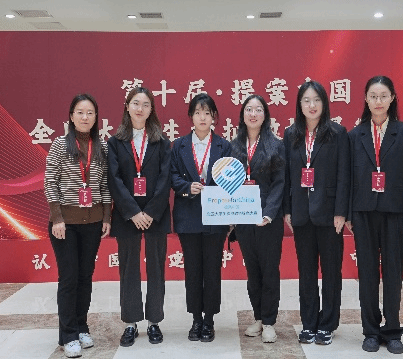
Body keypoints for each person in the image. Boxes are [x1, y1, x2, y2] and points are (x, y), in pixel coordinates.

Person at [346, 76, 403, 355]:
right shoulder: (355, 136)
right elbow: (348, 179)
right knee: (366, 273)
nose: (378, 101)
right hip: (363, 212)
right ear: (366, 99)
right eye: (373, 96)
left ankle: (392, 330)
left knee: (393, 272)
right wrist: (349, 213)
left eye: (383, 96)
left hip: (394, 212)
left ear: (392, 99)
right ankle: (371, 331)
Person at [44, 93, 111, 358]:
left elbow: (104, 185)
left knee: (85, 277)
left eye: (90, 113)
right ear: (71, 116)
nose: (85, 117)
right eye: (80, 112)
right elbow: (50, 182)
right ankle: (68, 334)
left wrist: (106, 218)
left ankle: (82, 327)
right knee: (69, 278)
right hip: (66, 224)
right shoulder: (60, 145)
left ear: (96, 118)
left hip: (93, 223)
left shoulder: (101, 147)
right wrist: (57, 218)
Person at [283, 81, 350, 345]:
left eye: (317, 100)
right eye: (306, 100)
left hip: (330, 214)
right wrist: (287, 210)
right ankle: (309, 323)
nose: (312, 105)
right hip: (301, 213)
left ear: (324, 103)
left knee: (331, 271)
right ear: (299, 105)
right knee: (306, 271)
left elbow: (344, 175)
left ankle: (328, 324)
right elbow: (287, 176)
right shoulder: (291, 134)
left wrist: (341, 211)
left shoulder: (337, 133)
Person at [107, 87, 171, 347]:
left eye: (145, 104)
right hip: (127, 215)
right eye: (135, 103)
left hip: (156, 214)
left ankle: (154, 321)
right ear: (127, 106)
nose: (140, 109)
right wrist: (133, 212)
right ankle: (131, 323)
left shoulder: (161, 141)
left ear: (151, 109)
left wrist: (151, 212)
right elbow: (114, 180)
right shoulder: (115, 142)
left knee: (156, 267)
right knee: (128, 269)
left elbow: (165, 180)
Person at [170, 93, 232, 343]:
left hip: (216, 217)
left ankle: (210, 319)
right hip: (188, 215)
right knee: (193, 270)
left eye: (207, 113)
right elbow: (172, 176)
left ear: (214, 116)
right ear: (191, 117)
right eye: (198, 113)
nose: (203, 117)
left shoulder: (223, 146)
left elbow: (231, 179)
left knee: (212, 269)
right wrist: (187, 187)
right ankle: (196, 318)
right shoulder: (179, 145)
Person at [231, 94, 285, 343]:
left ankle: (270, 321)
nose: (253, 114)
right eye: (249, 109)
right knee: (252, 271)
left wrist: (268, 213)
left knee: (269, 271)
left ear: (265, 115)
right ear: (243, 115)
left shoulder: (276, 145)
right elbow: (227, 182)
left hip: (267, 221)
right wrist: (231, 212)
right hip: (243, 220)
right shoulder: (234, 146)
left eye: (258, 109)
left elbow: (280, 183)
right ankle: (259, 318)